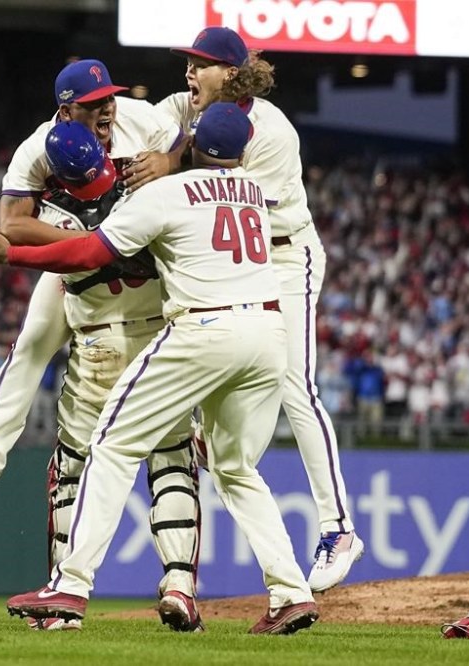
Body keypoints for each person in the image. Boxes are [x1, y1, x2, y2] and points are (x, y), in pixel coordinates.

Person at [0, 102, 319, 635]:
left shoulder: (168, 191)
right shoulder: (254, 190)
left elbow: (90, 251)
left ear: (193, 146)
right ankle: (290, 592)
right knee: (235, 469)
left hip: (205, 329)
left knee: (111, 445)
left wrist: (12, 255)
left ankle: (71, 584)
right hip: (269, 334)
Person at [0, 61, 202, 632]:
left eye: (108, 97)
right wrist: (90, 242)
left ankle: (69, 591)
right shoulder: (37, 148)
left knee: (86, 454)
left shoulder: (138, 119)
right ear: (66, 110)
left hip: (133, 282)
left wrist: (171, 159)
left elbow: (184, 148)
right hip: (97, 271)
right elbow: (12, 222)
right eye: (93, 103)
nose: (107, 109)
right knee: (32, 343)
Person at [128, 26, 364, 592]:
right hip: (230, 262)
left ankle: (338, 527)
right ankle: (217, 440)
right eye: (187, 62)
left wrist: (172, 164)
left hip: (284, 256)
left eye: (201, 64)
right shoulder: (181, 106)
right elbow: (135, 121)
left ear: (232, 74)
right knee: (220, 373)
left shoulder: (273, 130)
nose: (189, 72)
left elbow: (233, 204)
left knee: (295, 385)